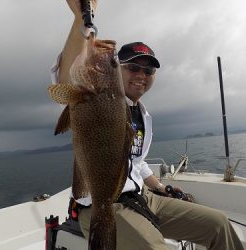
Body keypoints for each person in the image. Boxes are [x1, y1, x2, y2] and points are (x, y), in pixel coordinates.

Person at [51, 1, 244, 249]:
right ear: (116, 72)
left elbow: (137, 163)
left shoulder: (143, 115)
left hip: (143, 198)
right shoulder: (89, 98)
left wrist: (161, 187)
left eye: (148, 70)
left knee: (219, 223)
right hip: (103, 204)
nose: (141, 75)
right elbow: (64, 77)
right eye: (132, 67)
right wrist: (81, 20)